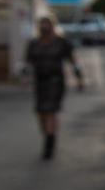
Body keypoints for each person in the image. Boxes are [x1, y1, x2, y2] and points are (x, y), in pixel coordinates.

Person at [26, 17, 84, 160]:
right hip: (40, 83)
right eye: (42, 26)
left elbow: (73, 60)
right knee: (41, 113)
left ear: (53, 27)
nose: (45, 29)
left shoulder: (61, 43)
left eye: (47, 26)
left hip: (55, 82)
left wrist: (79, 77)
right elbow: (28, 62)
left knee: (50, 111)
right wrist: (23, 76)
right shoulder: (34, 43)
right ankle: (48, 134)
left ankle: (49, 144)